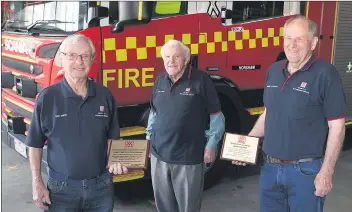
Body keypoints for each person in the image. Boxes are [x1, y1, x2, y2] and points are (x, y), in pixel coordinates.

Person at [233, 15, 347, 211]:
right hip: (270, 167)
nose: (292, 45)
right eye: (288, 38)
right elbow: (269, 113)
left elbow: (337, 127)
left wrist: (326, 171)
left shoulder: (326, 74)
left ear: (313, 43)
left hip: (305, 171)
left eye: (299, 39)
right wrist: (247, 143)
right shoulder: (274, 71)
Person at [25, 34, 128, 212]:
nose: (79, 62)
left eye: (85, 56)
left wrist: (117, 160)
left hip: (100, 187)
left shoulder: (104, 95)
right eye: (72, 55)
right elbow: (34, 144)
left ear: (92, 59)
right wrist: (37, 183)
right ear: (61, 59)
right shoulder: (48, 97)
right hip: (61, 190)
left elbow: (113, 138)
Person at [146, 39, 225, 212]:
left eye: (176, 57)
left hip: (188, 158)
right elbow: (154, 114)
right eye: (167, 56)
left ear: (186, 59)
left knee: (188, 207)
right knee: (164, 207)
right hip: (159, 156)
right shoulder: (160, 80)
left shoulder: (201, 80)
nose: (171, 61)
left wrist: (211, 145)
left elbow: (216, 116)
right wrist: (148, 141)